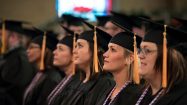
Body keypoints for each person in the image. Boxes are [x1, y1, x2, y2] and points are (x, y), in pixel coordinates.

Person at [135, 18, 187, 105]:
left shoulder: (182, 98)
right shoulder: (140, 94)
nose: (140, 56)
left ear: (167, 58)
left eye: (147, 50)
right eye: (140, 50)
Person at [60, 25, 115, 105]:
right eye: (75, 46)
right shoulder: (77, 81)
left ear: (96, 50)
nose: (74, 51)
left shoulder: (106, 83)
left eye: (80, 46)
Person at [96, 23, 142, 105]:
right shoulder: (108, 90)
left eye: (113, 50)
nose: (105, 54)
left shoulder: (136, 96)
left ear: (130, 58)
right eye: (107, 49)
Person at [0, 20, 36, 105]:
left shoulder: (19, 59)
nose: (0, 38)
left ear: (13, 37)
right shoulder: (11, 57)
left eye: (1, 34)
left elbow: (15, 91)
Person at [23, 31, 62, 105]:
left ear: (44, 50)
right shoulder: (40, 73)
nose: (27, 51)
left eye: (32, 47)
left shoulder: (52, 77)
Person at [46, 26, 81, 105]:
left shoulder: (78, 83)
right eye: (56, 48)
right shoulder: (66, 78)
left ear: (74, 54)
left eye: (60, 49)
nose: (54, 52)